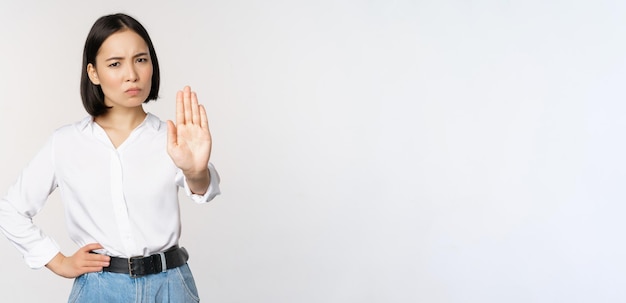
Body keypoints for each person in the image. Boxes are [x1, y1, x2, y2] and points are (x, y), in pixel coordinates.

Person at [0, 13, 220, 302]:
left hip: (170, 287)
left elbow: (204, 188)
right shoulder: (65, 143)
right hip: (99, 290)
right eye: (115, 63)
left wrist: (195, 172)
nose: (132, 74)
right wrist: (58, 261)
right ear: (93, 73)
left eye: (141, 59)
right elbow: (11, 210)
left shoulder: (170, 138)